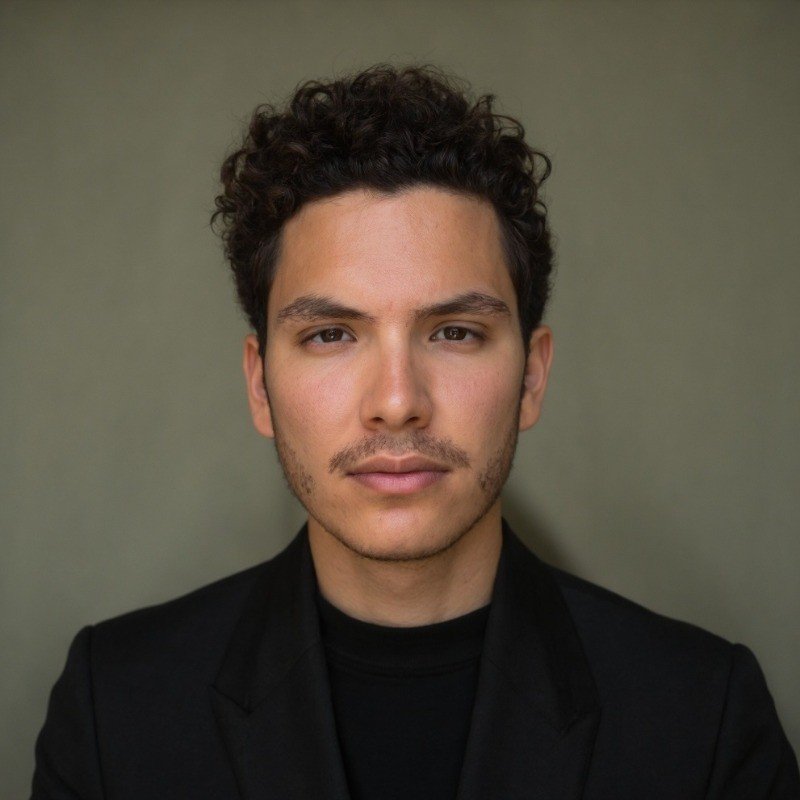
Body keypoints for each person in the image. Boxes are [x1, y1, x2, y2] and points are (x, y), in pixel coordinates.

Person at [31, 64, 798, 800]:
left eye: (455, 332)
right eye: (331, 334)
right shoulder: (114, 711)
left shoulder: (703, 718)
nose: (397, 403)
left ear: (532, 378)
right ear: (259, 385)